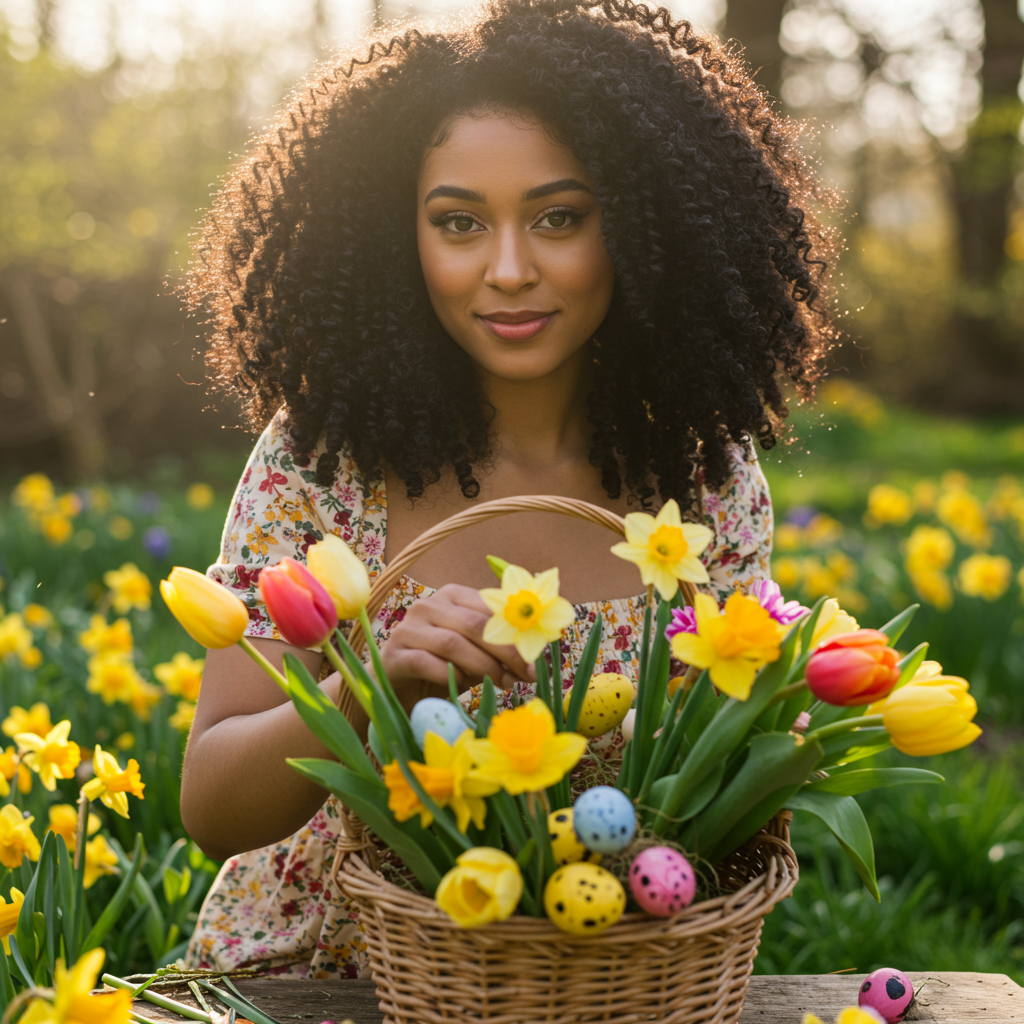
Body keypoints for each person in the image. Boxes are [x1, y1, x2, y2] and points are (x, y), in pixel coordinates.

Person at [180, 0, 835, 977]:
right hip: (324, 978)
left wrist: (765, 737)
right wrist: (372, 686)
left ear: (648, 223)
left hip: (597, 981)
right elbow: (213, 813)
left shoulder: (700, 478)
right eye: (458, 223)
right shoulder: (324, 461)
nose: (509, 270)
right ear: (391, 237)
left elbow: (713, 812)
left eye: (559, 218)